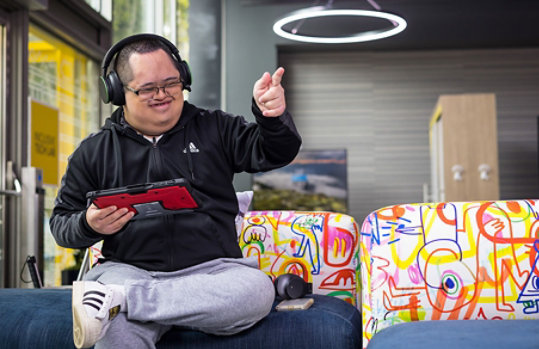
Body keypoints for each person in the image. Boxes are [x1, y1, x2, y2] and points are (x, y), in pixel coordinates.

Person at [50, 33, 301, 349]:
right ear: (116, 92)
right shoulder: (93, 152)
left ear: (184, 77)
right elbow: (61, 225)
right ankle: (125, 297)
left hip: (212, 273)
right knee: (112, 320)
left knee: (257, 292)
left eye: (171, 83)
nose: (163, 94)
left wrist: (272, 119)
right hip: (129, 271)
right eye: (147, 88)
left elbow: (274, 152)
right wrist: (88, 224)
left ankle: (124, 301)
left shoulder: (216, 128)